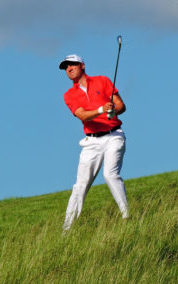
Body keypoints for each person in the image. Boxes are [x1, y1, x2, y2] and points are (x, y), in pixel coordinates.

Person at [59, 54, 129, 231]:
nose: (69, 68)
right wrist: (100, 109)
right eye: (66, 67)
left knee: (110, 175)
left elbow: (121, 106)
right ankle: (67, 229)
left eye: (72, 64)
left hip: (114, 135)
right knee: (80, 185)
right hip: (91, 142)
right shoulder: (69, 95)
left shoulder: (102, 81)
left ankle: (127, 215)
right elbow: (82, 115)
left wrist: (113, 111)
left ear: (82, 65)